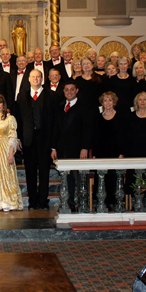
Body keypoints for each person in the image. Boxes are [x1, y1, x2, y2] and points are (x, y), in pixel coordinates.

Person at [16, 69, 55, 210]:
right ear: (29, 79)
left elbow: (54, 120)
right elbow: (18, 120)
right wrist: (18, 138)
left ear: (42, 79)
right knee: (30, 171)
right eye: (33, 77)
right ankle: (33, 201)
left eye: (38, 77)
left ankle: (43, 200)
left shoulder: (50, 95)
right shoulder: (22, 96)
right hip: (27, 139)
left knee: (44, 171)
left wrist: (53, 144)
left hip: (44, 139)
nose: (36, 79)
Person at [51, 82, 93, 211]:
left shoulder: (84, 107)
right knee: (66, 178)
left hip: (78, 149)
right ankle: (68, 204)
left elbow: (87, 129)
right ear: (63, 91)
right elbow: (55, 129)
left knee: (79, 178)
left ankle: (82, 204)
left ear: (77, 90)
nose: (69, 92)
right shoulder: (59, 107)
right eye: (67, 90)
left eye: (72, 90)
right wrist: (53, 148)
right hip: (62, 149)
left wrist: (85, 147)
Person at [92, 91, 127, 208]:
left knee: (114, 178)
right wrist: (94, 154)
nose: (107, 103)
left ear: (114, 102)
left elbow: (123, 136)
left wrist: (122, 153)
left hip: (116, 153)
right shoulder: (98, 117)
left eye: (110, 100)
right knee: (101, 177)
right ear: (102, 103)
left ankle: (115, 202)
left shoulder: (121, 117)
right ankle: (102, 202)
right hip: (101, 152)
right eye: (105, 100)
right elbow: (95, 137)